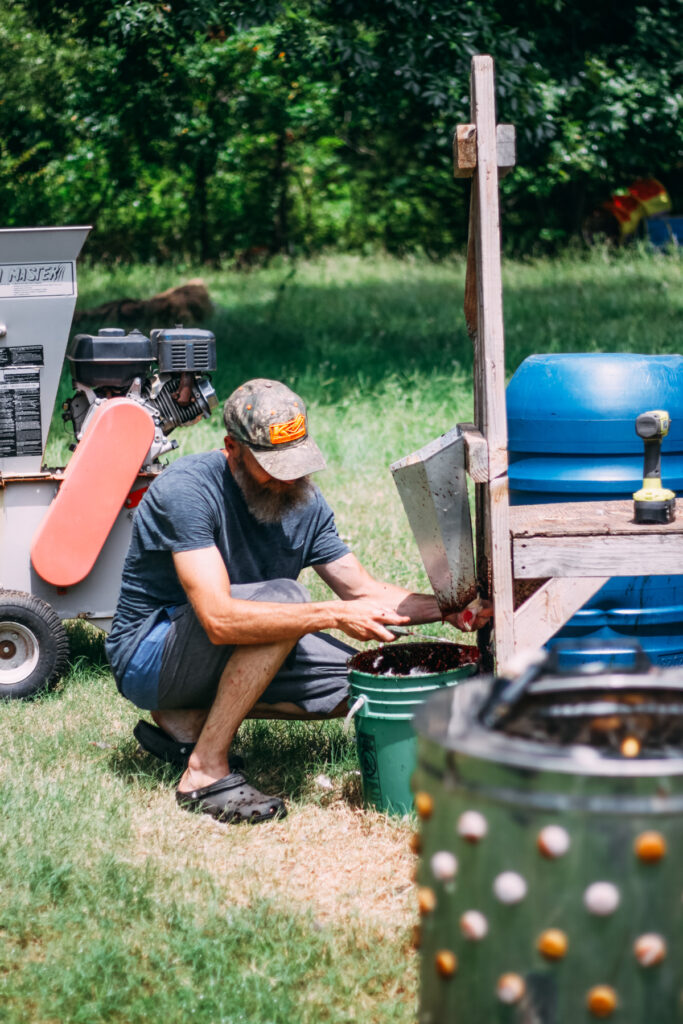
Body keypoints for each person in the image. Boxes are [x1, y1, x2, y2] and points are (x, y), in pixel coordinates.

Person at [106, 378, 491, 825]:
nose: (288, 476)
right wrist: (330, 615)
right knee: (286, 597)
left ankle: (189, 716)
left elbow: (362, 591)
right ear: (232, 448)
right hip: (151, 652)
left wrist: (450, 608)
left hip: (239, 644)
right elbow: (218, 619)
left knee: (367, 685)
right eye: (272, 464)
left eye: (296, 460)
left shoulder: (303, 501)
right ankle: (204, 771)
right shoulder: (187, 491)